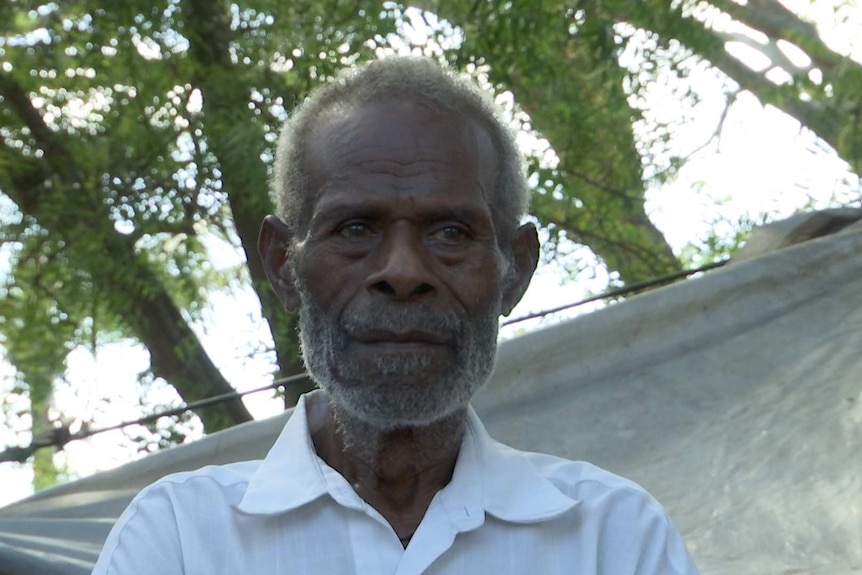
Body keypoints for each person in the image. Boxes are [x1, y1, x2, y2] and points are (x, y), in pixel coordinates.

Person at [92, 57, 699, 575]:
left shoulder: (611, 540)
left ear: (514, 270)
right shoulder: (180, 539)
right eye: (356, 228)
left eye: (451, 231)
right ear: (283, 266)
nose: (404, 272)